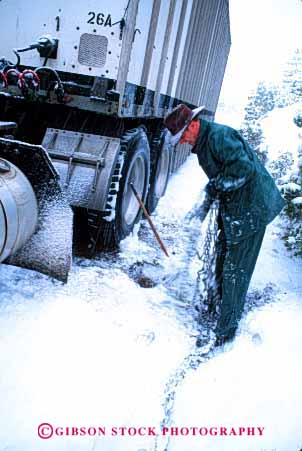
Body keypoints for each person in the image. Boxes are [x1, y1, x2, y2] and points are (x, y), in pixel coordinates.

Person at [163, 104, 285, 347]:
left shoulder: (219, 137)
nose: (184, 141)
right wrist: (207, 201)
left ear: (194, 124)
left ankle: (225, 332)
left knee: (235, 270)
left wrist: (216, 186)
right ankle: (217, 306)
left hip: (252, 209)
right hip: (235, 208)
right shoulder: (203, 144)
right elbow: (222, 178)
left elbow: (243, 169)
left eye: (184, 135)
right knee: (222, 257)